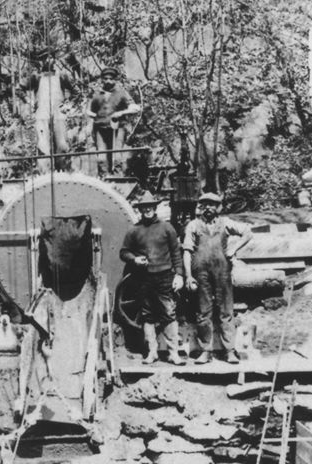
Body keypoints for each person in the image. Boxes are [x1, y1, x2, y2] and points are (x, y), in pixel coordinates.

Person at [182, 192, 254, 364]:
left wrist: (233, 249)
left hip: (222, 272)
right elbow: (187, 251)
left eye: (212, 204)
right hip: (201, 274)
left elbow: (248, 233)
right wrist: (189, 276)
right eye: (205, 204)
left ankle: (229, 350)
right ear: (201, 207)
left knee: (226, 311)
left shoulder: (226, 223)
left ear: (218, 207)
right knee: (203, 311)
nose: (209, 208)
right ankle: (205, 351)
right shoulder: (193, 225)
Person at [119, 194, 184, 364]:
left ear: (155, 208)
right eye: (143, 207)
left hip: (165, 277)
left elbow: (176, 253)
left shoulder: (167, 228)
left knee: (169, 313)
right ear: (139, 210)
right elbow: (123, 252)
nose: (147, 209)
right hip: (143, 278)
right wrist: (134, 259)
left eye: (150, 206)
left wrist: (179, 275)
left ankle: (173, 353)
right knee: (147, 316)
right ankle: (152, 352)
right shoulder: (134, 230)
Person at [27, 49, 75, 173]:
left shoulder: (62, 75)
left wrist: (69, 106)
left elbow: (76, 90)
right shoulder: (36, 77)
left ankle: (64, 174)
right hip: (42, 112)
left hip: (59, 112)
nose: (47, 60)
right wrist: (28, 103)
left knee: (62, 144)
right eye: (43, 58)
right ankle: (44, 174)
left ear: (54, 59)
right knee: (42, 145)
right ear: (40, 61)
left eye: (50, 57)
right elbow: (19, 88)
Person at [86, 67, 141, 176]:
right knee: (101, 158)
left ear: (115, 80)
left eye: (111, 79)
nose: (108, 81)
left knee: (117, 158)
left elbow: (135, 108)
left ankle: (118, 181)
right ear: (102, 79)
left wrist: (121, 113)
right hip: (100, 130)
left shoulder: (122, 93)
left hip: (118, 128)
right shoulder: (96, 94)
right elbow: (89, 111)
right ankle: (105, 182)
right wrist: (95, 118)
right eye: (105, 79)